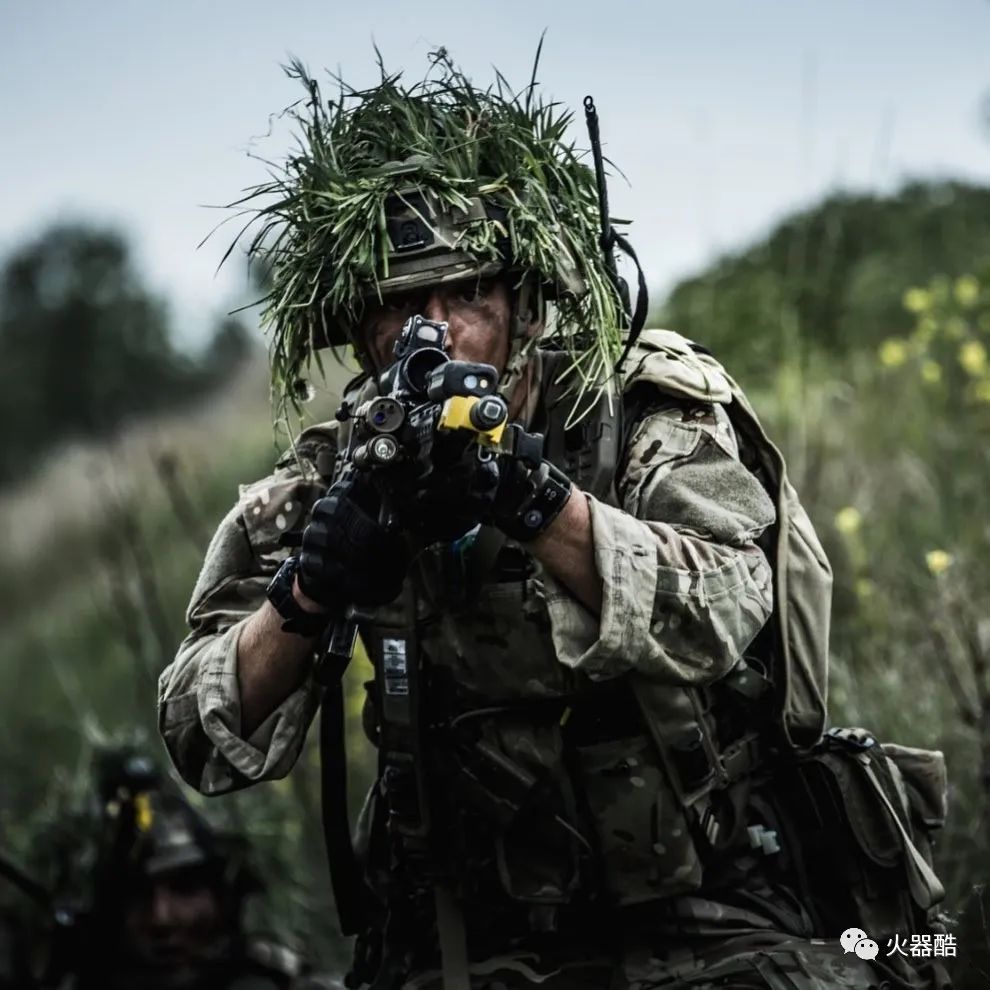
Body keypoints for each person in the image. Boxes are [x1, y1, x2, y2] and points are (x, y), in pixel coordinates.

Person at [159, 51, 952, 989]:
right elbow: (197, 729)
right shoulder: (338, 474)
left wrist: (538, 505)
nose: (439, 332)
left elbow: (731, 605)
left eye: (468, 298)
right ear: (360, 330)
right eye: (403, 307)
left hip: (702, 915)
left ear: (525, 307)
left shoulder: (637, 418)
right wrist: (307, 593)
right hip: (466, 941)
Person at [15, 748, 326, 990]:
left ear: (223, 896)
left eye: (185, 887)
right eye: (135, 894)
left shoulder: (282, 981)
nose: (161, 918)